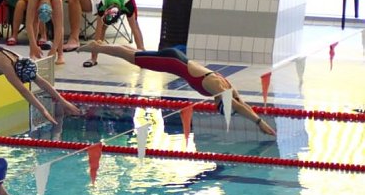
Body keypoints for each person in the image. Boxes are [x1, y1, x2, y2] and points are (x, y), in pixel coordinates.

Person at [77, 41, 277, 136]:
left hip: (174, 57)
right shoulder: (217, 88)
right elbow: (239, 106)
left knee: (138, 55)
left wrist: (258, 121)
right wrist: (259, 123)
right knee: (133, 58)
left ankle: (108, 45)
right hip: (171, 61)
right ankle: (97, 47)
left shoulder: (226, 86)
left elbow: (241, 103)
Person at [25, 0, 72, 64]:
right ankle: (31, 53)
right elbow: (28, 24)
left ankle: (60, 55)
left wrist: (54, 49)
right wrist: (34, 45)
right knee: (34, 21)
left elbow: (59, 26)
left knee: (57, 21)